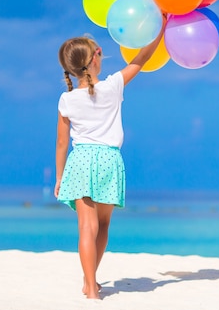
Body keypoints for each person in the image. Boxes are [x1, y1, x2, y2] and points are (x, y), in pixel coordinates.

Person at [54, 18, 166, 300]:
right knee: (102, 227)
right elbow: (141, 59)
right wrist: (160, 29)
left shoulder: (66, 100)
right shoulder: (114, 85)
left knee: (85, 227)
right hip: (109, 161)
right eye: (100, 52)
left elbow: (61, 143)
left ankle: (90, 286)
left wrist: (59, 177)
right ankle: (89, 280)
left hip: (80, 162)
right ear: (94, 60)